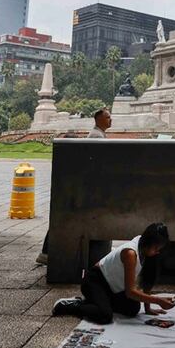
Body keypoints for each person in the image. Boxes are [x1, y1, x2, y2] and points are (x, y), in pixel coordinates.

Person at [52, 222, 175, 324]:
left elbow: (147, 281)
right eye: (156, 248)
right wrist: (158, 301)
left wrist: (148, 309)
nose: (158, 252)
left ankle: (98, 302)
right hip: (95, 280)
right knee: (104, 316)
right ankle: (75, 304)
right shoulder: (130, 253)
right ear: (147, 243)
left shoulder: (146, 251)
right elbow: (130, 291)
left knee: (133, 309)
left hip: (113, 287)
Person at [36, 108, 112, 265]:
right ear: (98, 119)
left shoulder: (99, 135)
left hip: (79, 187)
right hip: (82, 188)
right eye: (107, 117)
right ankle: (49, 251)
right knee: (65, 219)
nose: (110, 119)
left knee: (66, 218)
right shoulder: (96, 136)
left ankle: (52, 252)